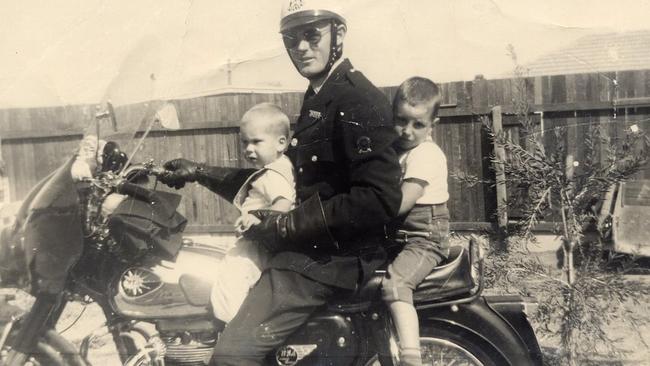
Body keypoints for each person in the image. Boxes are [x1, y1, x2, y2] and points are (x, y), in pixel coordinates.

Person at [158, 1, 403, 364]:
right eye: (292, 39)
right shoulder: (320, 94)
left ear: (339, 35)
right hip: (311, 250)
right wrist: (197, 171)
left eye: (311, 35)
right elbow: (283, 180)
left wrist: (287, 223)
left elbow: (378, 198)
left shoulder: (357, 99)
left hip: (331, 260)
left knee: (230, 356)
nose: (301, 47)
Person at [382, 77, 450, 366]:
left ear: (432, 124)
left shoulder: (426, 154)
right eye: (401, 121)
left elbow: (401, 203)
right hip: (403, 236)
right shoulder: (401, 149)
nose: (407, 131)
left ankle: (412, 357)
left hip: (425, 238)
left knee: (395, 284)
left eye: (418, 124)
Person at [210, 102, 295, 323]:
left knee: (230, 280)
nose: (249, 149)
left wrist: (257, 216)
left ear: (281, 143)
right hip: (264, 242)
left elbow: (284, 203)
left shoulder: (273, 175)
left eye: (256, 141)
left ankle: (231, 330)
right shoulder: (282, 166)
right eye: (245, 142)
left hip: (255, 243)